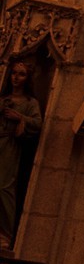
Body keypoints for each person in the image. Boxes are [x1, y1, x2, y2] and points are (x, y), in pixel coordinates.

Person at [0, 60, 40, 246]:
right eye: (14, 73)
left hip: (10, 145)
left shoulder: (30, 102)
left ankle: (4, 235)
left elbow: (37, 123)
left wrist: (20, 118)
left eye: (21, 74)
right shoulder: (3, 98)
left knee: (4, 187)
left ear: (28, 78)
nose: (16, 77)